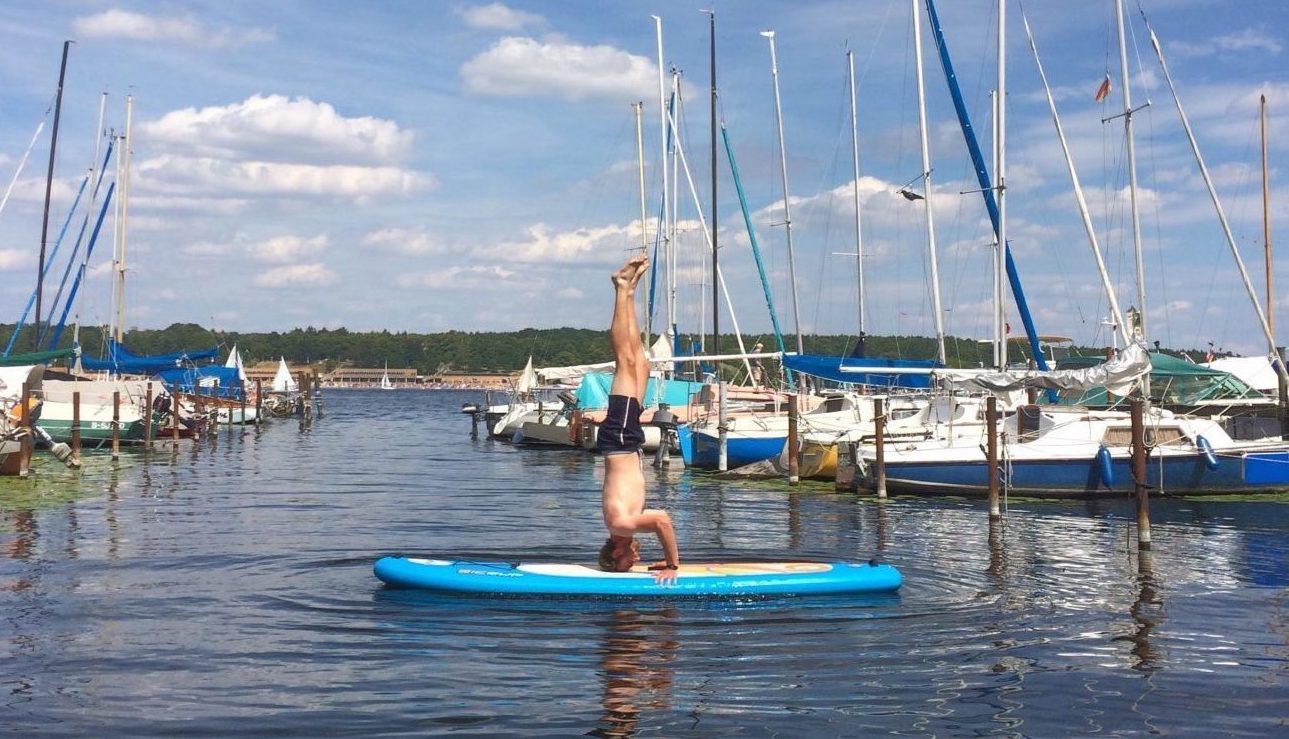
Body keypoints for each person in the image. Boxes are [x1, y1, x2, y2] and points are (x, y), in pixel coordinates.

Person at [597, 255, 681, 583]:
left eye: (626, 563)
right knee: (641, 364)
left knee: (625, 361)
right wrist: (665, 557)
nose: (635, 560)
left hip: (618, 438)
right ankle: (629, 292)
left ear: (616, 552)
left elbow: (662, 519)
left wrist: (672, 564)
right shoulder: (621, 525)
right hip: (624, 440)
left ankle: (620, 288)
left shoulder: (620, 524)